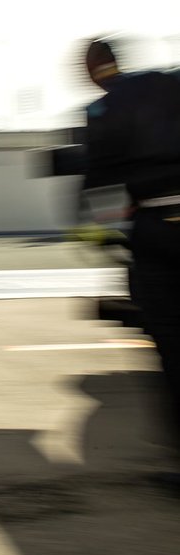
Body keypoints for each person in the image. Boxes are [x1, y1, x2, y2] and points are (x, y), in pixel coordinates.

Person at [81, 37, 180, 479]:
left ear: (90, 70)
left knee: (172, 348)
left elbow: (100, 186)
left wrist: (112, 238)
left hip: (158, 230)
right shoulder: (165, 84)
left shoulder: (102, 110)